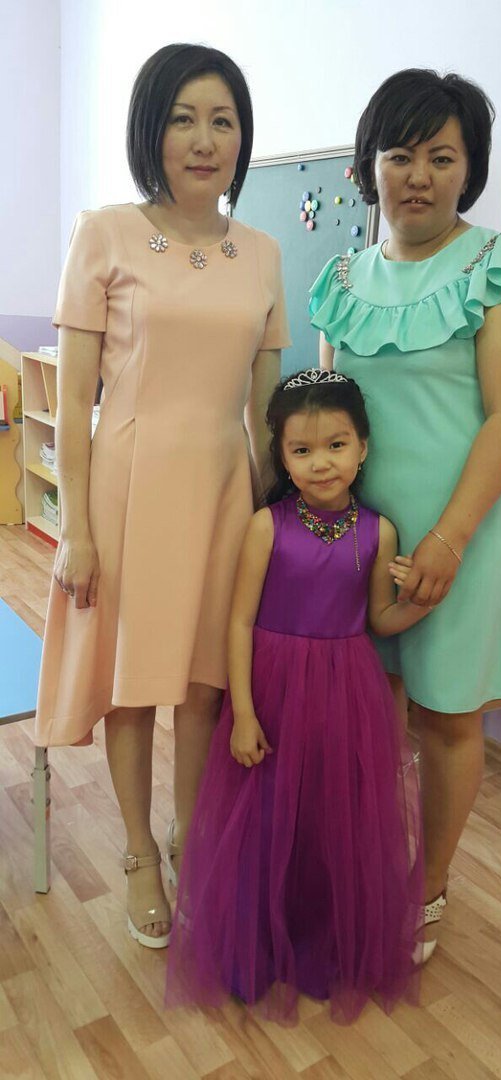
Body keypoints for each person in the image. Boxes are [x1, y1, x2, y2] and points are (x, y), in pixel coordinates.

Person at [35, 43, 290, 949]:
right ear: (152, 130)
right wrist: (76, 529)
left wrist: (280, 515)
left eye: (222, 120)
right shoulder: (104, 233)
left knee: (206, 682)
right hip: (129, 484)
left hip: (224, 486)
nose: (204, 139)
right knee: (135, 686)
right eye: (183, 118)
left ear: (241, 138)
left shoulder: (261, 254)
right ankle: (139, 852)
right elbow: (72, 401)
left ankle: (193, 834)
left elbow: (264, 406)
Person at [309, 68, 501, 954]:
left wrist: (449, 539)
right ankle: (367, 853)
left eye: (441, 157)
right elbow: (328, 416)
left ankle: (428, 884)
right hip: (360, 540)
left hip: (461, 535)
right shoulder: (343, 277)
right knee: (365, 711)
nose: (418, 175)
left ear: (469, 169)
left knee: (447, 716)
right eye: (399, 154)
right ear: (368, 167)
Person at [166, 369, 431, 1024]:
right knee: (264, 817)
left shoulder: (379, 532)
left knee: (327, 819)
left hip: (346, 692)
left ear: (363, 446)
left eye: (336, 445)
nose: (321, 463)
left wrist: (418, 603)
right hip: (274, 690)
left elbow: (379, 620)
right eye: (302, 450)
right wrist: (243, 713)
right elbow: (238, 622)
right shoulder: (266, 526)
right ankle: (254, 943)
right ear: (281, 457)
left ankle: (319, 942)